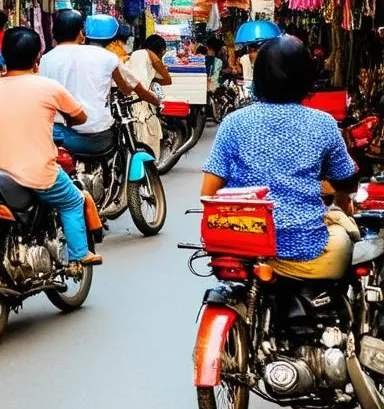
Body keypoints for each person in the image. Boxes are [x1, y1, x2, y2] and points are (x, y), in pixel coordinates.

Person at [202, 35, 359, 280]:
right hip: (304, 247)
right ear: (305, 78)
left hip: (240, 243)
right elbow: (346, 182)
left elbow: (208, 193)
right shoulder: (324, 124)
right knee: (347, 245)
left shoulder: (233, 123)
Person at [0, 27, 102, 268]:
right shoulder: (48, 87)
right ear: (37, 58)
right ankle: (79, 254)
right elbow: (80, 116)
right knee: (72, 200)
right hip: (38, 173)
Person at [40, 10, 160, 157]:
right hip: (95, 134)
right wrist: (155, 99)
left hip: (56, 134)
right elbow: (128, 88)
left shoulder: (45, 59)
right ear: (80, 33)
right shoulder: (107, 57)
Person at [127, 34, 172, 157]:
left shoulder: (141, 56)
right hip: (137, 101)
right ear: (161, 50)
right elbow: (167, 79)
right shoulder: (143, 55)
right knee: (146, 134)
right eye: (163, 51)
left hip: (138, 100)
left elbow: (167, 80)